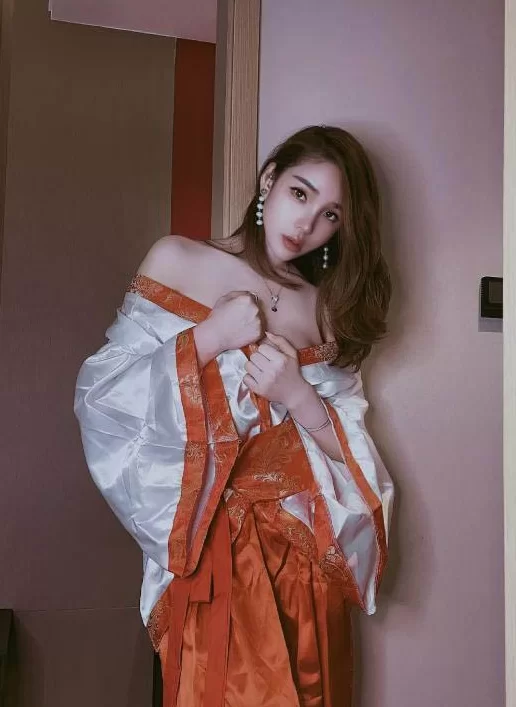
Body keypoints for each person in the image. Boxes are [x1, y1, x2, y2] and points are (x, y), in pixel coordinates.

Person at [74, 125, 394, 707]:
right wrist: (208, 338)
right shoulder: (177, 258)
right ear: (269, 180)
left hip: (303, 563)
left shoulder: (326, 311)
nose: (306, 224)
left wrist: (299, 396)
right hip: (212, 552)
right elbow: (103, 398)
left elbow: (350, 449)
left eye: (330, 215)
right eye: (299, 193)